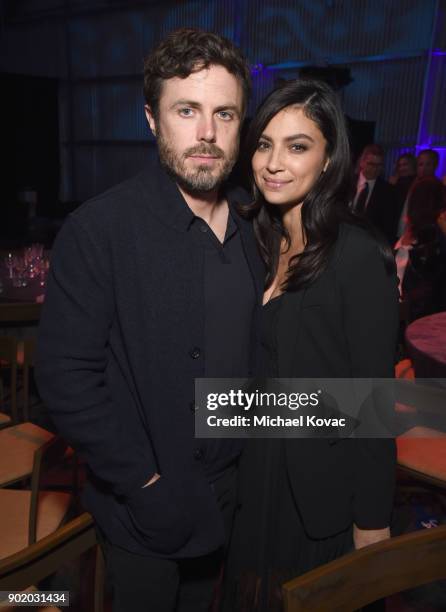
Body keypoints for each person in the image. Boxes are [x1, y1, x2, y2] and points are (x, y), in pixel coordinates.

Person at [35, 28, 264, 612]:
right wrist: (143, 484)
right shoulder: (100, 230)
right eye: (187, 110)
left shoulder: (251, 229)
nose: (207, 133)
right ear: (151, 119)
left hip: (234, 497)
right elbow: (65, 376)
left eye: (225, 113)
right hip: (148, 507)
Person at [221, 79, 399, 612]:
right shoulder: (261, 239)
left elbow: (375, 405)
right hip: (256, 473)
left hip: (321, 489)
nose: (274, 162)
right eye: (263, 144)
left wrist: (372, 524)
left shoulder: (359, 255)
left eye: (297, 146)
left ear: (328, 160)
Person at [395, 177, 446, 320]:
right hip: (405, 314)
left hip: (417, 319)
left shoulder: (432, 238)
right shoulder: (420, 233)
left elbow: (427, 291)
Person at [353, 143, 399, 245]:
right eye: (371, 164)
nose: (375, 168)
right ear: (362, 162)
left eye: (379, 165)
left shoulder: (389, 191)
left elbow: (388, 226)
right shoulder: (346, 183)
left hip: (370, 245)